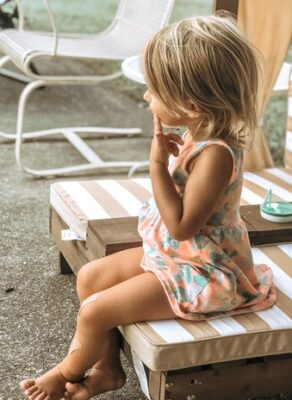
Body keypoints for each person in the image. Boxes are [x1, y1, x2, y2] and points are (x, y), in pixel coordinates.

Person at [20, 14, 276, 400]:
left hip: (204, 271)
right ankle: (107, 369)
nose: (145, 97)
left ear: (190, 103)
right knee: (90, 276)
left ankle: (64, 373)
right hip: (179, 257)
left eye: (153, 90)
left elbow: (181, 226)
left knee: (94, 312)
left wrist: (157, 164)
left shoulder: (216, 156)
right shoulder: (197, 134)